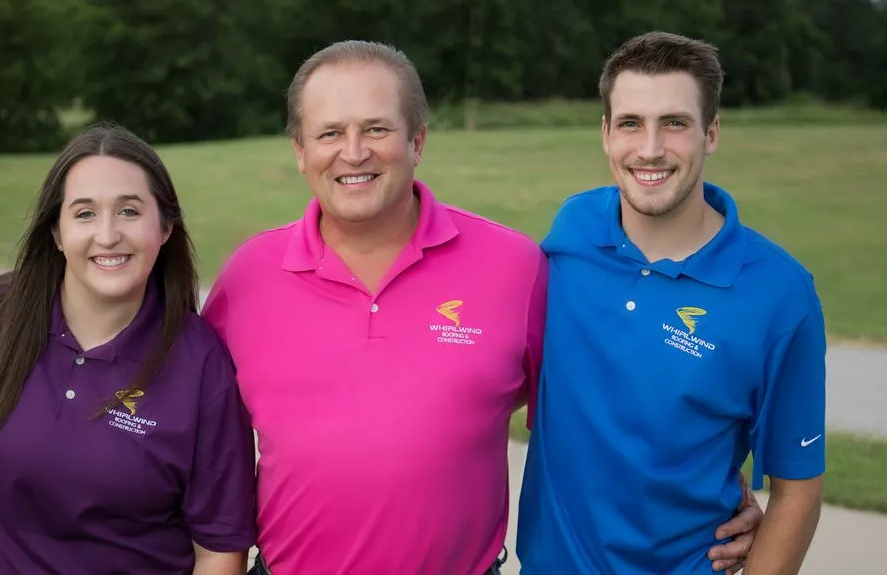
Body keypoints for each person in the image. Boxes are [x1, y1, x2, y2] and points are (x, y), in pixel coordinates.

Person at [200, 40, 758, 574]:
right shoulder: (249, 278)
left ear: (417, 140)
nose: (354, 152)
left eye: (377, 128)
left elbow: (601, 419)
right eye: (330, 133)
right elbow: (185, 434)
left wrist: (711, 502)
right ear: (301, 151)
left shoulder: (515, 268)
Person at [517, 31, 826, 574]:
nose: (651, 149)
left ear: (711, 133)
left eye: (675, 124)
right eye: (631, 123)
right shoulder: (573, 229)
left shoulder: (781, 294)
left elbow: (798, 488)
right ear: (606, 133)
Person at [0, 123, 258, 574]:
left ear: (166, 227)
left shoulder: (201, 364)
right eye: (85, 213)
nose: (108, 235)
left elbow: (218, 548)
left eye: (130, 211)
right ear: (56, 232)